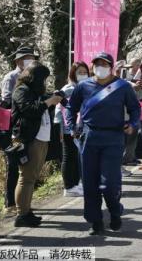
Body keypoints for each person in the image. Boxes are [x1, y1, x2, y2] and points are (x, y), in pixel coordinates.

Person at [69, 52, 141, 235]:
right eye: (97, 64)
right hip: (89, 137)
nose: (100, 67)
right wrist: (72, 127)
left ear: (111, 67)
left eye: (104, 64)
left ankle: (115, 211)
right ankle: (95, 220)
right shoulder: (83, 86)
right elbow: (71, 107)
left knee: (109, 183)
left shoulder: (122, 87)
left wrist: (133, 124)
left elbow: (134, 108)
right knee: (90, 182)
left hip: (113, 137)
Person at [10, 62, 63, 227]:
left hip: (40, 138)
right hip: (28, 139)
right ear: (35, 77)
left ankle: (27, 210)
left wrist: (52, 98)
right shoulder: (21, 90)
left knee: (31, 177)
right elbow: (30, 109)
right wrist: (49, 102)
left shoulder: (34, 91)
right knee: (26, 177)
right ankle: (21, 215)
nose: (44, 83)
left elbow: (39, 104)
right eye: (43, 79)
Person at [0, 46, 38, 216]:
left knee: (26, 163)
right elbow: (6, 101)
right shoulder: (11, 77)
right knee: (13, 163)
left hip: (26, 127)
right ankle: (9, 204)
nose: (29, 61)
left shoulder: (34, 77)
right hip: (10, 127)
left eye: (31, 58)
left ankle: (22, 202)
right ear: (17, 61)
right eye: (26, 58)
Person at [57, 62, 90, 197]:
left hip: (80, 127)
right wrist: (63, 127)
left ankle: (76, 184)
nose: (82, 75)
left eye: (84, 72)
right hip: (68, 127)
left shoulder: (85, 87)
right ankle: (68, 186)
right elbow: (61, 107)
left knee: (76, 156)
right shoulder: (69, 88)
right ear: (73, 74)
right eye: (79, 72)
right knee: (68, 156)